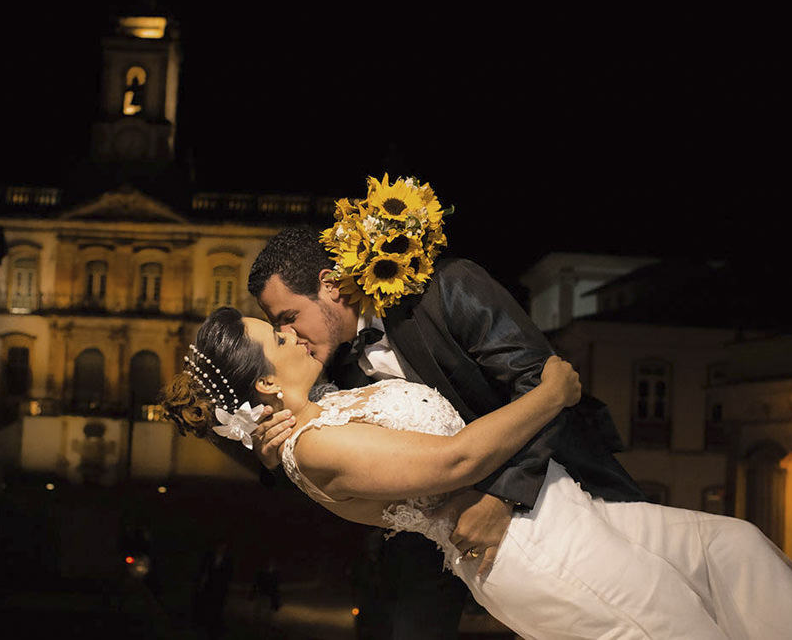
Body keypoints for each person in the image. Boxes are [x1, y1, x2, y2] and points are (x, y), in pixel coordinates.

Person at [160, 307, 792, 639]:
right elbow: (455, 461)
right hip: (527, 547)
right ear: (259, 386)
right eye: (275, 337)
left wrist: (264, 429)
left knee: (733, 548)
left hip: (558, 505)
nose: (290, 333)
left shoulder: (313, 413)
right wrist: (550, 396)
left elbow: (295, 423)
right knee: (678, 628)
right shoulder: (313, 447)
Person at [245, 225, 647, 638]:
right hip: (430, 543)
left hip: (552, 489)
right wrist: (270, 453)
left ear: (330, 284)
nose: (290, 336)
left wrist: (502, 496)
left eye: (289, 318)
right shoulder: (322, 365)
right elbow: (305, 456)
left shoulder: (447, 289)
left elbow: (541, 382)